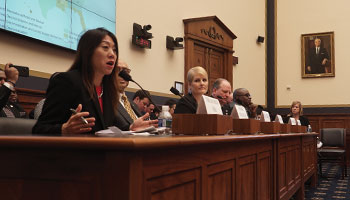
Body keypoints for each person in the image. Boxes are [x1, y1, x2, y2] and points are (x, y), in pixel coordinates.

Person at [32, 28, 156, 135]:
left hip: (103, 156)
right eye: (105, 48)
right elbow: (40, 129)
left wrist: (131, 128)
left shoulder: (107, 88)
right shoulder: (67, 82)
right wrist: (64, 129)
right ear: (88, 51)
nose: (112, 54)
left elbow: (108, 128)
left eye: (114, 50)